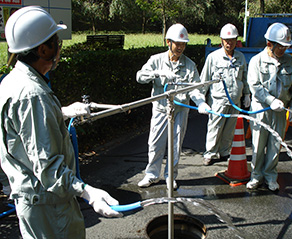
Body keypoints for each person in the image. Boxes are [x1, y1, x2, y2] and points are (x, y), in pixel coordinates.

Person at [0, 6, 122, 239]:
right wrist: (86, 192)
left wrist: (60, 112)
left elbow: (22, 132)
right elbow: (47, 167)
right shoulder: (33, 95)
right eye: (56, 41)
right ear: (43, 49)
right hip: (49, 206)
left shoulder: (13, 80)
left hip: (35, 202)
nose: (59, 47)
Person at [136, 23, 210, 190]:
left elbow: (195, 88)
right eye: (177, 44)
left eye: (183, 44)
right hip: (161, 109)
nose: (180, 48)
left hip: (180, 110)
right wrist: (157, 73)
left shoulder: (189, 65)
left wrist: (201, 102)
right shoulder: (156, 60)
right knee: (155, 143)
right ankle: (152, 175)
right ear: (168, 42)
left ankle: (170, 176)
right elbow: (139, 77)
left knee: (176, 144)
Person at [246, 23, 292, 191]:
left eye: (285, 47)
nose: (284, 50)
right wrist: (270, 101)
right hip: (261, 110)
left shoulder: (289, 60)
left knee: (275, 146)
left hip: (280, 111)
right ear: (270, 44)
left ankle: (271, 176)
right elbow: (255, 85)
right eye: (281, 47)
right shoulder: (256, 61)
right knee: (258, 145)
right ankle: (256, 176)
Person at [200, 23, 250, 166]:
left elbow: (244, 78)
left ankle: (224, 152)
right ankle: (210, 153)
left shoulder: (240, 57)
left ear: (236, 40)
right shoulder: (213, 57)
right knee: (215, 127)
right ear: (221, 40)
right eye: (227, 40)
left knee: (230, 128)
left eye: (232, 40)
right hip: (218, 100)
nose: (229, 43)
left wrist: (247, 94)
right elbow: (205, 80)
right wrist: (201, 100)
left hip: (235, 100)